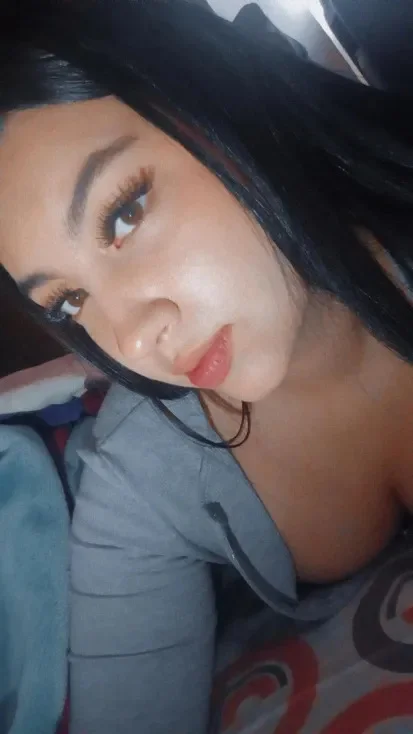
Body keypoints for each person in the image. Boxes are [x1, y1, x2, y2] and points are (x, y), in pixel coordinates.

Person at [1, 1, 413, 732]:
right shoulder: (140, 481)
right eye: (69, 301)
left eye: (123, 214)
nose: (133, 343)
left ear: (214, 104)